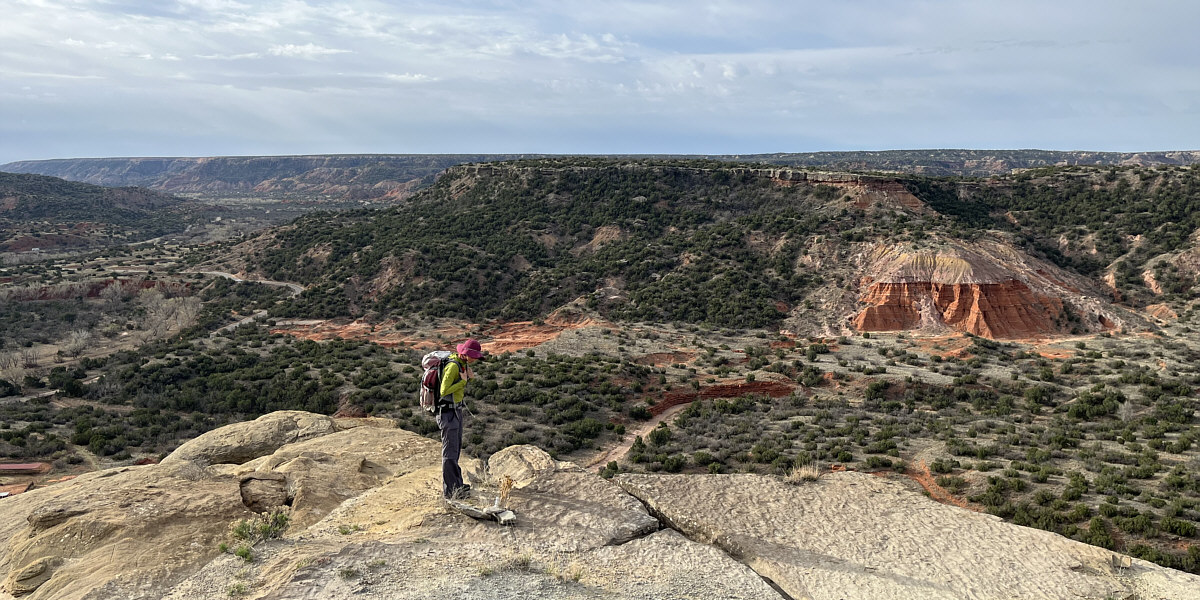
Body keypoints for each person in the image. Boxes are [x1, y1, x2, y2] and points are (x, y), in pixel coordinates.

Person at [438, 338, 483, 499]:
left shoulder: (463, 364)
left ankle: (457, 485)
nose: (476, 359)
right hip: (447, 413)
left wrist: (468, 379)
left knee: (456, 449)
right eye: (474, 356)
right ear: (465, 354)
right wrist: (463, 383)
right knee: (449, 452)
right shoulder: (452, 366)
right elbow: (443, 391)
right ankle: (450, 492)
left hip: (455, 410)